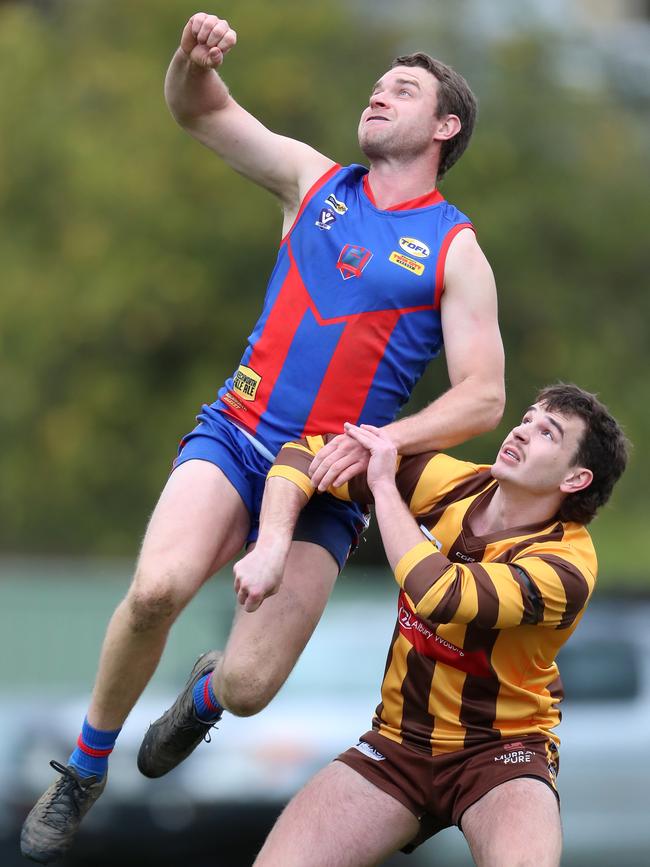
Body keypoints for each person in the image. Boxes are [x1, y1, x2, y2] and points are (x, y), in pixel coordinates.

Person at [20, 11, 505, 864]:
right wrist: (188, 59)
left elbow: (485, 396)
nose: (379, 94)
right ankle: (83, 772)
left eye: (405, 90)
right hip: (238, 436)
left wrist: (382, 442)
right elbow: (200, 111)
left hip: (330, 482)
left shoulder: (454, 249)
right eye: (379, 84)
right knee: (158, 587)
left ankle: (203, 695)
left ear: (445, 126)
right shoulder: (315, 182)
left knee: (251, 690)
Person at [234, 383, 628, 867]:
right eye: (526, 419)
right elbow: (301, 455)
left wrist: (383, 486)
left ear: (575, 478)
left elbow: (440, 594)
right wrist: (272, 545)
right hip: (397, 747)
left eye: (547, 433)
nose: (523, 432)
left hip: (501, 754)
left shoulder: (566, 568)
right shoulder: (454, 482)